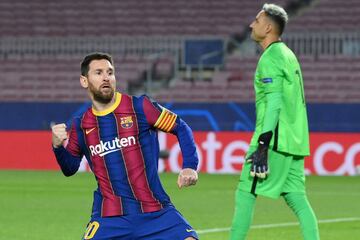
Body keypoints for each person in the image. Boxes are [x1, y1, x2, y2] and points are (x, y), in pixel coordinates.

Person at [51, 52, 199, 240]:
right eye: (98, 73)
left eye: (110, 72)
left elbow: (180, 126)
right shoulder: (81, 125)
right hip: (110, 218)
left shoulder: (141, 107)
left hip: (156, 211)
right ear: (84, 81)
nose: (106, 77)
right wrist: (57, 147)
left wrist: (189, 166)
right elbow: (69, 168)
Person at [229, 4, 320, 240]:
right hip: (295, 140)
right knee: (299, 201)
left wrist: (262, 145)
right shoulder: (288, 54)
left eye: (257, 21)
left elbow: (275, 102)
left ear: (268, 27)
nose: (251, 24)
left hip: (273, 141)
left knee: (245, 193)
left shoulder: (270, 58)